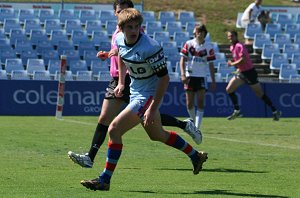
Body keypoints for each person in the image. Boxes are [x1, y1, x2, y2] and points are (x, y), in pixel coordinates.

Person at [80, 8, 208, 191]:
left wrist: (151, 107)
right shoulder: (118, 39)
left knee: (114, 129)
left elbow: (164, 79)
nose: (134, 30)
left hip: (148, 95)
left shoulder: (151, 47)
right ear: (121, 28)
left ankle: (104, 180)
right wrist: (111, 59)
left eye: (137, 27)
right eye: (130, 27)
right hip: (135, 92)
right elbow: (121, 52)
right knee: (157, 135)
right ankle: (196, 156)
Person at [226, 30, 281, 121]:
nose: (230, 38)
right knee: (229, 89)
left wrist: (232, 64)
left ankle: (275, 111)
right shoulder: (232, 47)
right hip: (242, 73)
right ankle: (237, 110)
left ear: (236, 36)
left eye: (231, 36)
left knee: (259, 94)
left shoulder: (240, 46)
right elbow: (240, 61)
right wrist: (238, 69)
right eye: (228, 36)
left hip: (249, 73)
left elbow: (243, 59)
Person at [179, 24, 216, 130]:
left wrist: (213, 80)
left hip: (202, 76)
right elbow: (182, 60)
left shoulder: (209, 47)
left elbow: (211, 64)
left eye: (201, 32)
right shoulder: (189, 44)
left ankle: (197, 127)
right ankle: (193, 123)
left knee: (200, 102)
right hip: (189, 76)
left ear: (205, 33)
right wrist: (182, 74)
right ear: (194, 33)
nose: (199, 34)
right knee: (189, 103)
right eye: (197, 31)